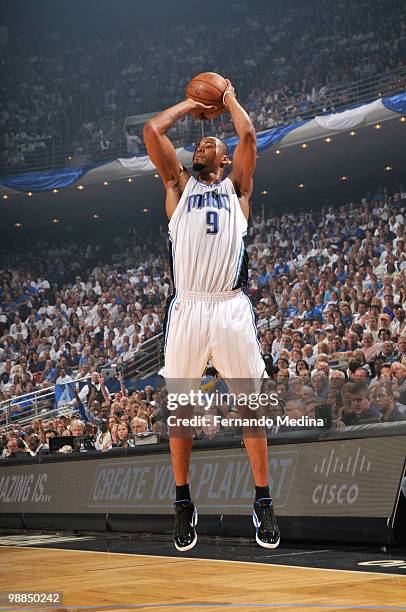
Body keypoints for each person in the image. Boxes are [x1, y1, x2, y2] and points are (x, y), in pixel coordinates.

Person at [144, 79, 279, 552]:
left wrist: (228, 99)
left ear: (223, 161)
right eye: (199, 144)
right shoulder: (177, 186)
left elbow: (248, 138)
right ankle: (183, 502)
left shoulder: (238, 189)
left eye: (210, 144)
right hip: (188, 306)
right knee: (180, 410)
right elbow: (151, 130)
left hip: (229, 305)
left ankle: (262, 499)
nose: (202, 145)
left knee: (251, 407)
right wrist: (191, 104)